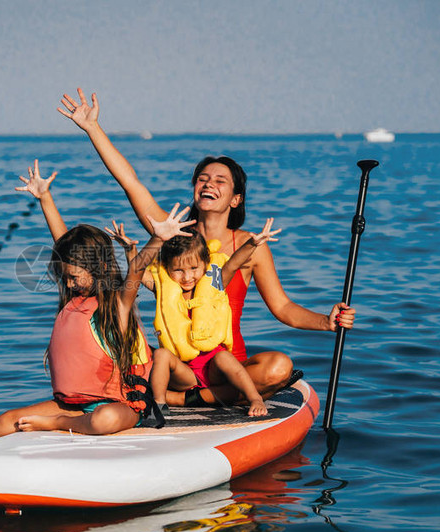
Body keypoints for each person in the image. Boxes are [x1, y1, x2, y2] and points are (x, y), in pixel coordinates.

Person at [59, 88, 356, 406]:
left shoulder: (250, 246)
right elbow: (130, 182)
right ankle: (206, 396)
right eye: (202, 178)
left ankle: (187, 400)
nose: (208, 183)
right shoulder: (171, 232)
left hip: (225, 366)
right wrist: (93, 128)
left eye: (220, 180)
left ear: (236, 198)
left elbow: (283, 308)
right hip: (175, 366)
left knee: (279, 367)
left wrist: (326, 322)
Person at [0, 161, 194, 451]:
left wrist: (158, 238)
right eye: (65, 277)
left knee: (103, 420)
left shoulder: (118, 304)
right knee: (8, 420)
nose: (68, 284)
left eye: (73, 277)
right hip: (72, 404)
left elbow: (135, 268)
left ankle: (58, 423)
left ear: (97, 267)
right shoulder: (74, 296)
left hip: (120, 405)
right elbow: (63, 243)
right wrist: (45, 198)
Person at [109, 218, 279, 417]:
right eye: (178, 270)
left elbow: (233, 264)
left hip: (213, 368)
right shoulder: (164, 288)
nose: (187, 277)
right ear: (167, 268)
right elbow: (137, 272)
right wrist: (130, 250)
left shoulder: (215, 282)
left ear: (205, 264)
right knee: (161, 355)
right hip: (184, 372)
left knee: (225, 357)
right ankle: (159, 403)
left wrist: (253, 244)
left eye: (193, 269)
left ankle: (254, 398)